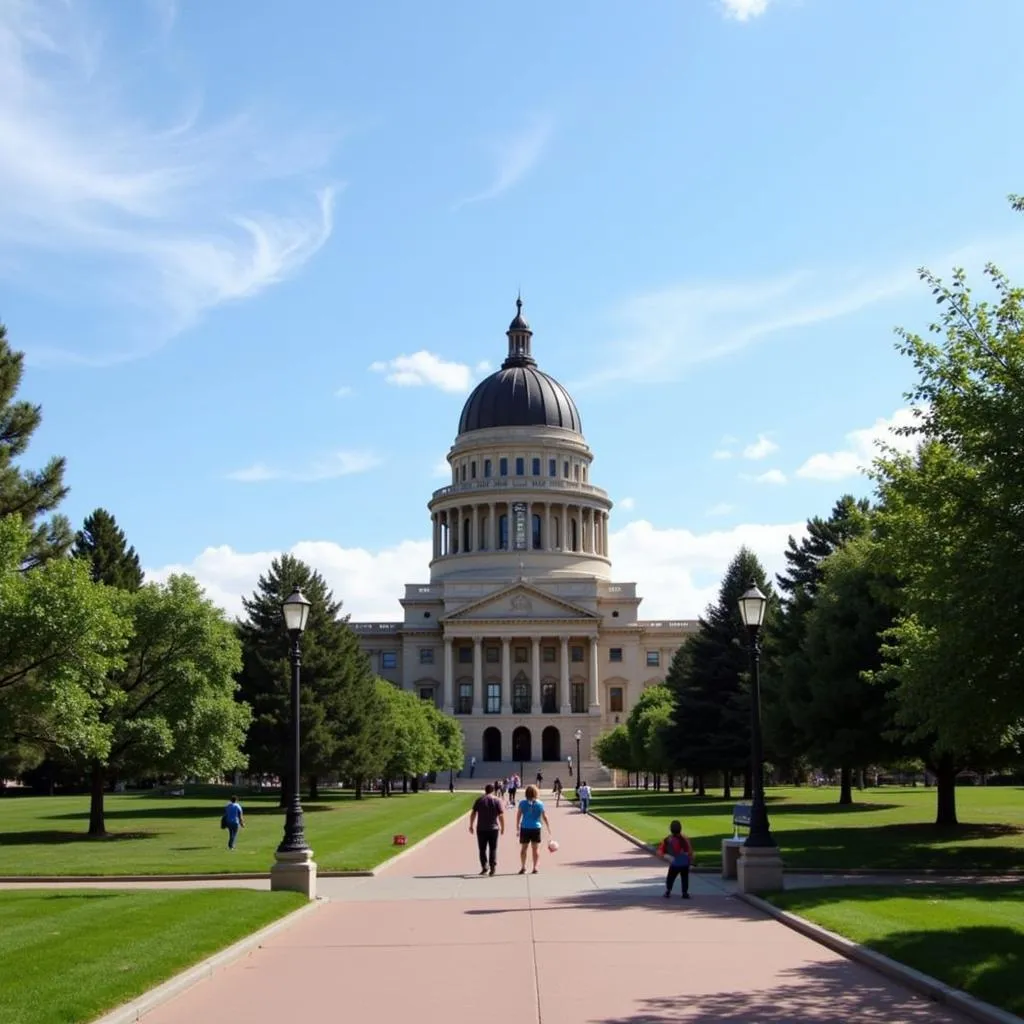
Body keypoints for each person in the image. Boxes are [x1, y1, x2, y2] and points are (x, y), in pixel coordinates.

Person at [469, 783, 505, 876]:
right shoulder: (497, 800)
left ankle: (484, 866)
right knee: (493, 848)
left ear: (485, 790)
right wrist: (503, 827)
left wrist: (471, 825)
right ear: (493, 790)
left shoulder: (480, 800)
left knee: (482, 849)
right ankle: (492, 866)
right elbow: (501, 815)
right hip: (493, 828)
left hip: (481, 828)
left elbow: (473, 813)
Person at [515, 784, 551, 874]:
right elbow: (544, 816)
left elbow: (518, 815)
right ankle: (535, 867)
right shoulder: (540, 803)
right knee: (535, 849)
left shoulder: (522, 803)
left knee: (524, 848)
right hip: (536, 827)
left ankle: (523, 867)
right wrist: (548, 826)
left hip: (525, 827)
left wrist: (517, 826)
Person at [658, 819, 695, 899]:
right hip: (685, 862)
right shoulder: (685, 838)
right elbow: (690, 851)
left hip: (675, 863)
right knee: (685, 878)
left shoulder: (667, 839)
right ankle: (684, 892)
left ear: (671, 829)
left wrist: (666, 856)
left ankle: (668, 890)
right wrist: (691, 862)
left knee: (670, 878)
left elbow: (661, 851)